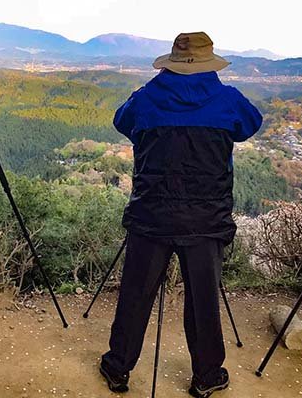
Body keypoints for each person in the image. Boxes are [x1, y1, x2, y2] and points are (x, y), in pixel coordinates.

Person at [100, 32, 262, 398]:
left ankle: (118, 367)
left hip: (151, 216)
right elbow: (250, 124)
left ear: (172, 61)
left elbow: (122, 122)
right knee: (203, 299)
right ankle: (206, 376)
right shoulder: (229, 100)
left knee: (136, 295)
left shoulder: (145, 98)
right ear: (209, 62)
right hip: (206, 221)